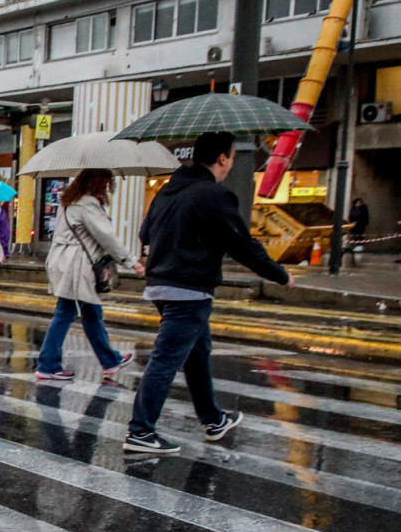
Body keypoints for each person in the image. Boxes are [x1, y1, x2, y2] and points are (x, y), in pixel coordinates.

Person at [126, 132, 294, 454]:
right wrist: (280, 275)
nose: (231, 163)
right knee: (165, 359)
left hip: (162, 285)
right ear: (222, 159)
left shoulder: (167, 191)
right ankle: (140, 432)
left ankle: (213, 419)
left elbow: (145, 232)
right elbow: (242, 245)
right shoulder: (215, 196)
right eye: (231, 156)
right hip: (189, 290)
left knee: (198, 353)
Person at [36, 169, 144, 381]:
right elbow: (107, 237)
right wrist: (132, 261)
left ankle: (109, 360)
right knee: (67, 313)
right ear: (98, 184)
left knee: (90, 313)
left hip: (64, 261)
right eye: (105, 184)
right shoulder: (87, 205)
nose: (107, 188)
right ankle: (48, 364)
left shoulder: (70, 201)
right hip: (77, 266)